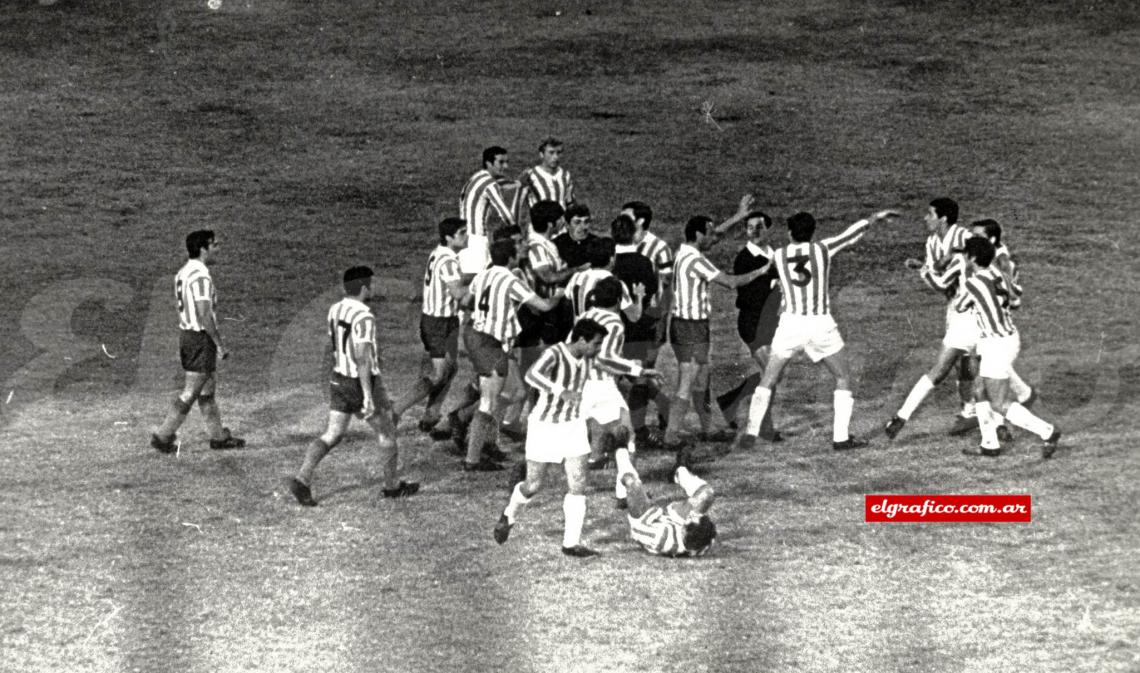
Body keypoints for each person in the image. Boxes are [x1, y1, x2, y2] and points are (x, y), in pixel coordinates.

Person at [737, 209, 900, 451]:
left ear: (790, 232)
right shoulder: (822, 249)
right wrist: (874, 218)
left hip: (790, 325)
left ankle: (751, 432)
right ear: (812, 233)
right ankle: (841, 438)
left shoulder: (779, 255)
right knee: (842, 377)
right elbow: (850, 235)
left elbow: (769, 278)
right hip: (820, 324)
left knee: (768, 378)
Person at [286, 267, 418, 506]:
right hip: (361, 381)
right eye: (372, 284)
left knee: (332, 434)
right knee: (387, 432)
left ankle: (303, 477)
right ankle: (392, 487)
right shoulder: (364, 316)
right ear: (365, 287)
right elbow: (362, 357)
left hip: (338, 379)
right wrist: (368, 395)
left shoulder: (335, 309)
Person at [492, 318, 608, 557]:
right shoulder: (554, 353)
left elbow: (609, 364)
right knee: (533, 485)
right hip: (544, 425)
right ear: (581, 340)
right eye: (596, 344)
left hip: (574, 425)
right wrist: (560, 391)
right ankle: (509, 515)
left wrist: (639, 371)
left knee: (578, 483)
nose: (598, 349)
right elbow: (531, 376)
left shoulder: (588, 358)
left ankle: (571, 543)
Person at [664, 213, 766, 454]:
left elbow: (714, 236)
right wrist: (762, 271)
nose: (714, 237)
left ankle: (708, 428)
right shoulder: (697, 260)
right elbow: (730, 283)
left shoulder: (683, 252)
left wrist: (738, 215)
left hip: (684, 324)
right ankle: (671, 434)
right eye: (709, 233)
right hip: (692, 327)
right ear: (698, 234)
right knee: (689, 380)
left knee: (702, 379)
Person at [461, 239, 564, 471]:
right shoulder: (510, 280)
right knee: (488, 402)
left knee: (517, 392)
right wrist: (559, 294)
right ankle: (472, 459)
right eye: (517, 252)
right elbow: (545, 306)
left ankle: (479, 434)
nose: (521, 254)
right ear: (509, 258)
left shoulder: (482, 275)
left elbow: (466, 301)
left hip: (485, 339)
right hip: (490, 343)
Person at [955, 237, 1060, 458]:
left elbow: (960, 305)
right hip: (1004, 337)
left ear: (972, 258)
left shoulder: (973, 283)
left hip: (996, 344)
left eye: (965, 255)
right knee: (978, 388)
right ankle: (989, 444)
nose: (963, 258)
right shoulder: (998, 274)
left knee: (999, 403)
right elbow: (1013, 299)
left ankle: (1047, 431)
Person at [884, 198, 980, 439]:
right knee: (963, 365)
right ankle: (972, 413)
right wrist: (926, 266)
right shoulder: (932, 242)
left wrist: (926, 270)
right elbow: (938, 272)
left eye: (930, 214)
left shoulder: (964, 238)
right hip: (955, 309)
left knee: (944, 367)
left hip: (973, 310)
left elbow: (943, 277)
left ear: (943, 218)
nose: (925, 218)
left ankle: (901, 417)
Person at [150, 230, 245, 454]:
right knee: (191, 391)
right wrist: (219, 344)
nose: (218, 248)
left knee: (207, 391)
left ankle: (218, 436)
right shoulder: (201, 276)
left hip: (188, 335)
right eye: (215, 244)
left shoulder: (183, 272)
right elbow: (204, 314)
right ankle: (163, 436)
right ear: (203, 249)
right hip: (200, 338)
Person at [576, 278, 663, 494]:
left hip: (577, 383)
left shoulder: (584, 316)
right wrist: (635, 369)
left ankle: (576, 487)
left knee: (580, 439)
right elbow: (604, 358)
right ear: (617, 300)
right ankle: (626, 493)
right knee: (627, 435)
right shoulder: (614, 322)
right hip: (599, 384)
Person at [392, 218, 468, 435]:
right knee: (438, 374)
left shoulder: (440, 254)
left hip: (445, 321)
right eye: (462, 233)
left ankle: (431, 414)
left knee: (450, 369)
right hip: (438, 323)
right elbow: (459, 295)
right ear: (449, 237)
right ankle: (395, 411)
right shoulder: (448, 261)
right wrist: (485, 284)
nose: (467, 236)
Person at [715, 210, 783, 441]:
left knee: (773, 374)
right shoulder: (744, 259)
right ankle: (764, 427)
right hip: (753, 322)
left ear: (769, 229)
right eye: (750, 227)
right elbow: (749, 297)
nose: (754, 231)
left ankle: (730, 401)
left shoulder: (775, 254)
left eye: (760, 226)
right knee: (771, 375)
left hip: (771, 322)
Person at [621, 201, 672, 444]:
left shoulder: (659, 248)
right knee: (633, 374)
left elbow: (666, 288)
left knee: (639, 374)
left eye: (626, 217)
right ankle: (664, 407)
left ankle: (640, 428)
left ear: (640, 221)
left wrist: (660, 319)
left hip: (648, 321)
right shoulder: (621, 243)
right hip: (625, 319)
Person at [618, 461, 717, 558]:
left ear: (684, 531)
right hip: (672, 521)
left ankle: (622, 453)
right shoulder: (700, 544)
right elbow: (707, 540)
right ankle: (679, 472)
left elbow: (637, 528)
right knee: (707, 494)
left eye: (690, 518)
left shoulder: (660, 536)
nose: (692, 514)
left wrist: (650, 504)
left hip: (645, 518)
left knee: (630, 480)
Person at [459, 146, 517, 274]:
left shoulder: (474, 179)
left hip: (463, 237)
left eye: (507, 162)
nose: (505, 166)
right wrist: (515, 231)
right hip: (477, 240)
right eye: (501, 162)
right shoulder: (490, 184)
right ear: (488, 163)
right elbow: (506, 215)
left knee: (467, 280)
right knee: (478, 281)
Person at [565, 237, 643, 322]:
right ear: (612, 258)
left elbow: (568, 300)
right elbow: (634, 317)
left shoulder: (576, 277)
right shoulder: (615, 284)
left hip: (578, 331)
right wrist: (639, 296)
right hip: (602, 333)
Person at [517, 137, 575, 222]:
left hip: (561, 226)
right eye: (551, 153)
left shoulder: (566, 175)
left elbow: (570, 203)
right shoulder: (530, 176)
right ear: (541, 154)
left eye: (558, 153)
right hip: (540, 227)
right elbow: (518, 205)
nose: (555, 157)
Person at [553, 203, 598, 269]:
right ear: (567, 225)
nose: (583, 227)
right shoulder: (556, 245)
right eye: (577, 222)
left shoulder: (597, 243)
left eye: (586, 222)